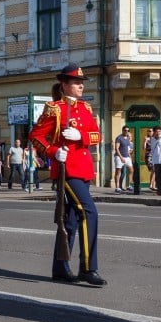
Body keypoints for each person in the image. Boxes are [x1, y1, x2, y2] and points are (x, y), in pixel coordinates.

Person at [29, 63, 105, 287]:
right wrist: (53, 151)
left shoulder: (86, 108)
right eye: (76, 82)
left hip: (83, 169)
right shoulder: (55, 108)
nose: (80, 86)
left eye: (82, 82)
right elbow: (35, 136)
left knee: (71, 220)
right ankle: (88, 268)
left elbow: (96, 136)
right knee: (90, 212)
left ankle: (60, 268)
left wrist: (80, 135)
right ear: (64, 85)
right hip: (67, 170)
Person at [112, 126, 133, 193]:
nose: (126, 131)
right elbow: (117, 148)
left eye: (127, 130)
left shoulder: (127, 138)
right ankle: (117, 187)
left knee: (131, 170)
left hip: (127, 157)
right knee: (118, 171)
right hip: (119, 156)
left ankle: (129, 185)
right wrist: (121, 157)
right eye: (125, 130)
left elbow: (128, 148)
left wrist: (129, 156)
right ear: (122, 130)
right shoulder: (119, 138)